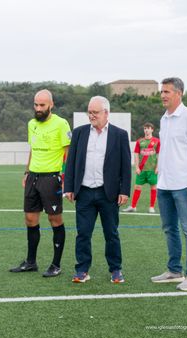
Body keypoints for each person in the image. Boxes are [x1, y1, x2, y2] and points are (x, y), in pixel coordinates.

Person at [64, 96, 131, 284]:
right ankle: (82, 270)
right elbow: (71, 163)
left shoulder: (119, 135)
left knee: (111, 233)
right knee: (83, 233)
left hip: (108, 193)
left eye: (95, 112)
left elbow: (126, 166)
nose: (91, 116)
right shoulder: (79, 133)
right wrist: (69, 187)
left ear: (106, 113)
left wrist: (124, 190)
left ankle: (116, 269)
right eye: (89, 112)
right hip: (84, 192)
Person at [150, 77, 187, 291]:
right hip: (164, 184)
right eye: (161, 91)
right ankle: (174, 271)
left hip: (184, 184)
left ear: (179, 93)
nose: (163, 95)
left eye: (166, 91)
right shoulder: (164, 118)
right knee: (169, 228)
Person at [9, 89, 71, 277]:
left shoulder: (61, 124)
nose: (38, 108)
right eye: (36, 105)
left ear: (51, 105)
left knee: (55, 219)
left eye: (42, 105)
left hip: (52, 178)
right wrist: (27, 171)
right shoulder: (31, 124)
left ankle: (56, 264)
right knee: (30, 219)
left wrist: (65, 177)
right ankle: (31, 262)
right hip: (33, 177)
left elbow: (68, 151)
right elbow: (32, 150)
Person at [123, 122, 160, 213]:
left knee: (153, 187)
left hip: (152, 170)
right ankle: (133, 206)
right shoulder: (139, 141)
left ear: (152, 130)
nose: (146, 130)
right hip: (142, 169)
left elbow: (159, 155)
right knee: (137, 187)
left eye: (148, 128)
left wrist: (157, 167)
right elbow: (136, 155)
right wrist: (137, 168)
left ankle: (151, 207)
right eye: (145, 128)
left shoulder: (157, 141)